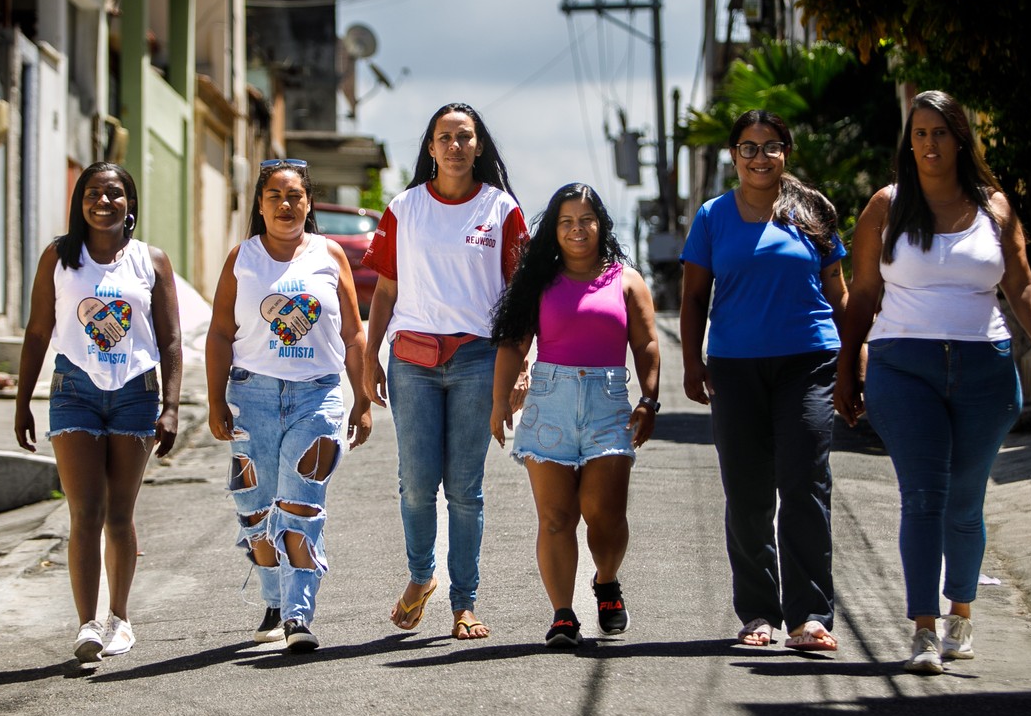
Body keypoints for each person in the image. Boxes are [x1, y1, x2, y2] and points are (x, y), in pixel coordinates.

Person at [834, 90, 1031, 675]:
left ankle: (961, 610)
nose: (928, 143)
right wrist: (847, 366)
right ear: (907, 142)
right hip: (903, 367)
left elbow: (1023, 283)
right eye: (919, 133)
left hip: (985, 366)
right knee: (924, 496)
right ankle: (923, 629)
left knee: (965, 502)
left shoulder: (995, 207)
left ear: (960, 138)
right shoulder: (886, 207)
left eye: (939, 132)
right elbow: (862, 296)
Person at [680, 110, 848, 653]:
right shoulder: (712, 217)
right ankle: (758, 612)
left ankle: (809, 616)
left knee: (804, 484)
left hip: (809, 361)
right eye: (748, 147)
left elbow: (839, 292)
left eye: (770, 146)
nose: (759, 157)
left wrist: (857, 359)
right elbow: (692, 298)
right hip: (735, 366)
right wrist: (692, 361)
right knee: (748, 493)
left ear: (785, 153)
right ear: (734, 156)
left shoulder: (812, 212)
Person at [363, 103, 529, 641]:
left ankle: (464, 602)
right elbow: (385, 290)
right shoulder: (403, 208)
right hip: (410, 359)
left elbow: (520, 295)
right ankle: (419, 577)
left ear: (478, 146)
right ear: (430, 148)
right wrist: (369, 358)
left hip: (477, 360)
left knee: (465, 489)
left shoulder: (501, 209)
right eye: (444, 138)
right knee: (415, 485)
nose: (455, 146)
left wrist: (520, 363)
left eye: (465, 137)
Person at [14, 162, 181, 663]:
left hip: (135, 391)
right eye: (93, 193)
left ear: (130, 204)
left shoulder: (150, 261)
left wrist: (170, 406)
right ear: (79, 202)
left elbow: (171, 340)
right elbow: (38, 331)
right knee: (84, 511)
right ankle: (87, 623)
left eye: (114, 194)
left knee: (119, 514)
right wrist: (22, 400)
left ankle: (120, 618)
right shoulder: (59, 258)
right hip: (74, 390)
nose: (103, 202)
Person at [206, 159, 373, 654]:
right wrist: (216, 400)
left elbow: (353, 332)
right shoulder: (243, 258)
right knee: (255, 509)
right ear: (260, 205)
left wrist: (361, 399)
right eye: (275, 196)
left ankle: (299, 616)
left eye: (295, 195)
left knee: (301, 503)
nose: (286, 204)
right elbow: (219, 332)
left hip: (315, 395)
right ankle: (274, 602)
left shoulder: (330, 255)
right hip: (251, 396)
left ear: (308, 203)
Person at [490, 183, 660, 647]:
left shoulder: (627, 280)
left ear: (601, 224)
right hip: (550, 400)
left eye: (586, 219)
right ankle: (562, 615)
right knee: (557, 517)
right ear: (555, 230)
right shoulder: (538, 282)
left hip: (607, 403)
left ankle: (606, 581)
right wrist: (499, 401)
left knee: (603, 512)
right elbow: (513, 344)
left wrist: (649, 398)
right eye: (566, 221)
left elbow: (645, 343)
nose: (577, 229)